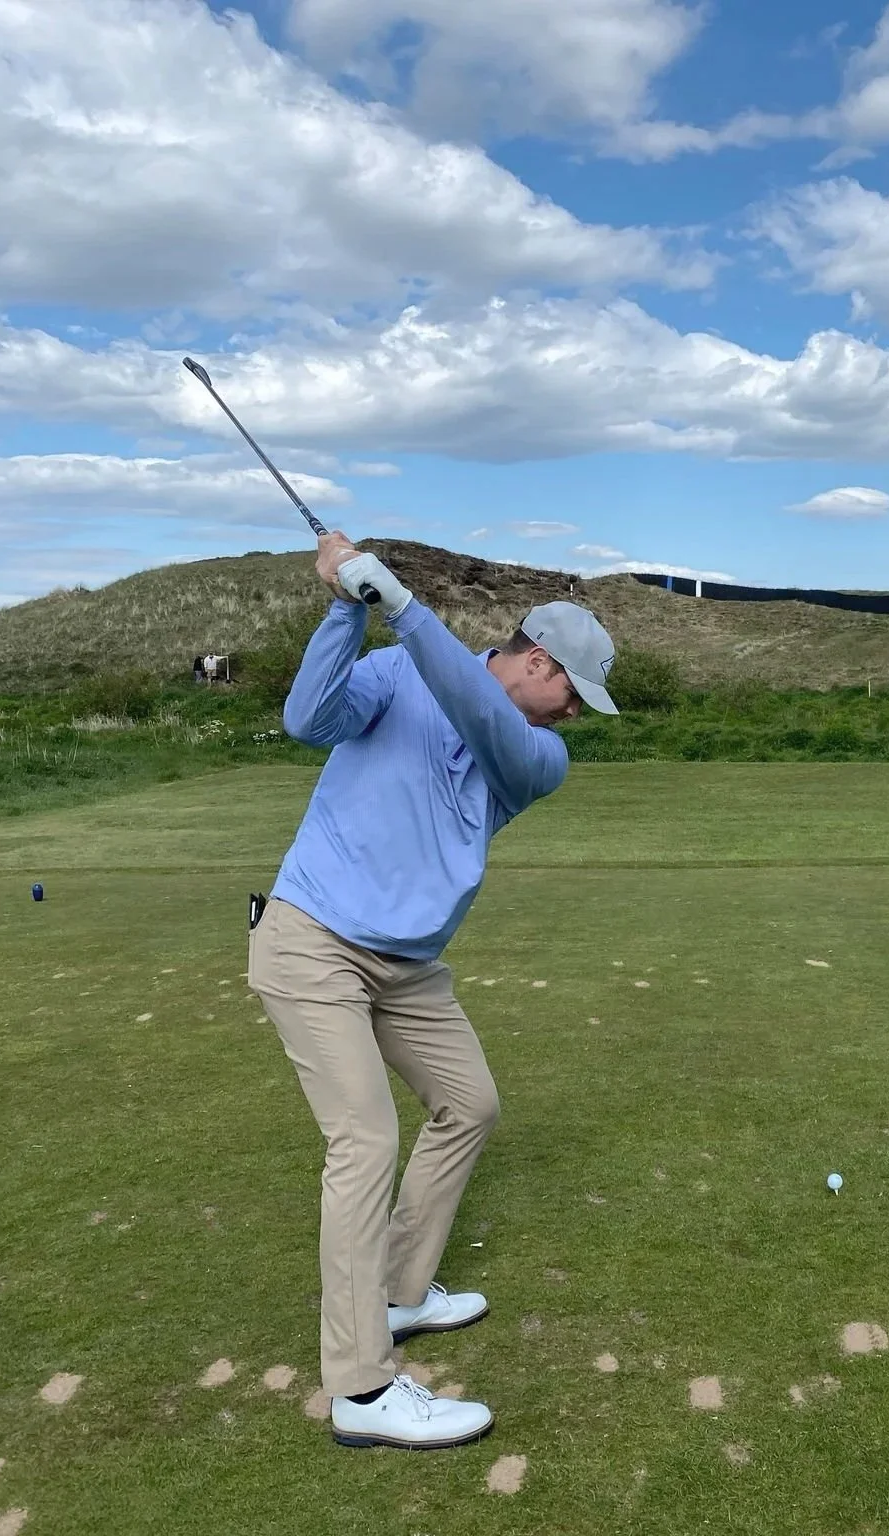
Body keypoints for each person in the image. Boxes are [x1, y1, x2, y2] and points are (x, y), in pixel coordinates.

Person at [248, 532, 618, 1450]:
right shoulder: (395, 674)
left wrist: (406, 608)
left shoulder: (536, 754)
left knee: (470, 1104)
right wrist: (347, 604)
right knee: (365, 1138)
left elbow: (478, 712)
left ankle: (401, 1294)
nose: (572, 714)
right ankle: (363, 1393)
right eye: (572, 692)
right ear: (538, 661)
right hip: (314, 941)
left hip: (408, 966)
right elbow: (308, 719)